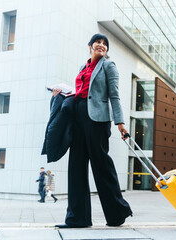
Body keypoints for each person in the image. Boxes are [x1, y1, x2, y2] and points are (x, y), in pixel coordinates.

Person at [54, 33, 132, 228]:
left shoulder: (108, 66)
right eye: (98, 42)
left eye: (105, 44)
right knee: (76, 167)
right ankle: (77, 218)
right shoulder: (83, 67)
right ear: (90, 46)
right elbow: (81, 92)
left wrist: (120, 122)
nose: (102, 45)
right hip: (78, 119)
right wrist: (61, 94)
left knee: (101, 165)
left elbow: (114, 95)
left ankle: (117, 214)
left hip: (97, 121)